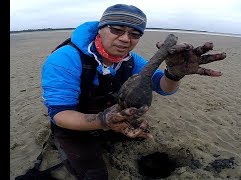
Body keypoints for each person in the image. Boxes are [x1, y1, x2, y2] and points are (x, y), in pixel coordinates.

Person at [41, 3, 226, 180]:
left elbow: (163, 88)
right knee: (95, 176)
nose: (125, 39)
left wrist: (174, 75)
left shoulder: (130, 60)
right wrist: (102, 120)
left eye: (134, 34)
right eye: (117, 30)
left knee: (142, 138)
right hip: (73, 125)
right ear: (100, 28)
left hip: (114, 117)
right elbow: (60, 114)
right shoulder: (65, 59)